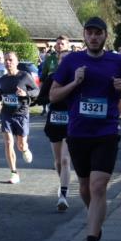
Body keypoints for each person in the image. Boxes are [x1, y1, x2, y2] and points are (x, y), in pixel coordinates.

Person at [49, 17, 121, 241]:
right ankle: (95, 220)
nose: (94, 37)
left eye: (99, 33)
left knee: (98, 186)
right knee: (84, 188)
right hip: (78, 133)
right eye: (90, 33)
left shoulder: (116, 61)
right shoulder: (72, 61)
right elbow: (53, 95)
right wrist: (75, 82)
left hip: (106, 132)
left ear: (106, 36)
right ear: (83, 36)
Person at [0, 51, 39, 184]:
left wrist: (25, 93)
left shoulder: (24, 76)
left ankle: (25, 148)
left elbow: (37, 91)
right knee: (8, 143)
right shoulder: (2, 79)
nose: (8, 62)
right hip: (7, 114)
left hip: (21, 113)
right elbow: (0, 94)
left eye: (10, 60)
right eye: (6, 60)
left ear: (17, 62)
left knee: (20, 145)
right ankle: (14, 172)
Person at [37, 48, 73, 210]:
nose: (64, 62)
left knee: (66, 160)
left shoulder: (77, 79)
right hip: (54, 121)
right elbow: (41, 98)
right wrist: (52, 98)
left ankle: (63, 195)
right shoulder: (52, 78)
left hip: (71, 123)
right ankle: (62, 183)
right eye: (61, 59)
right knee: (58, 161)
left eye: (67, 59)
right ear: (58, 61)